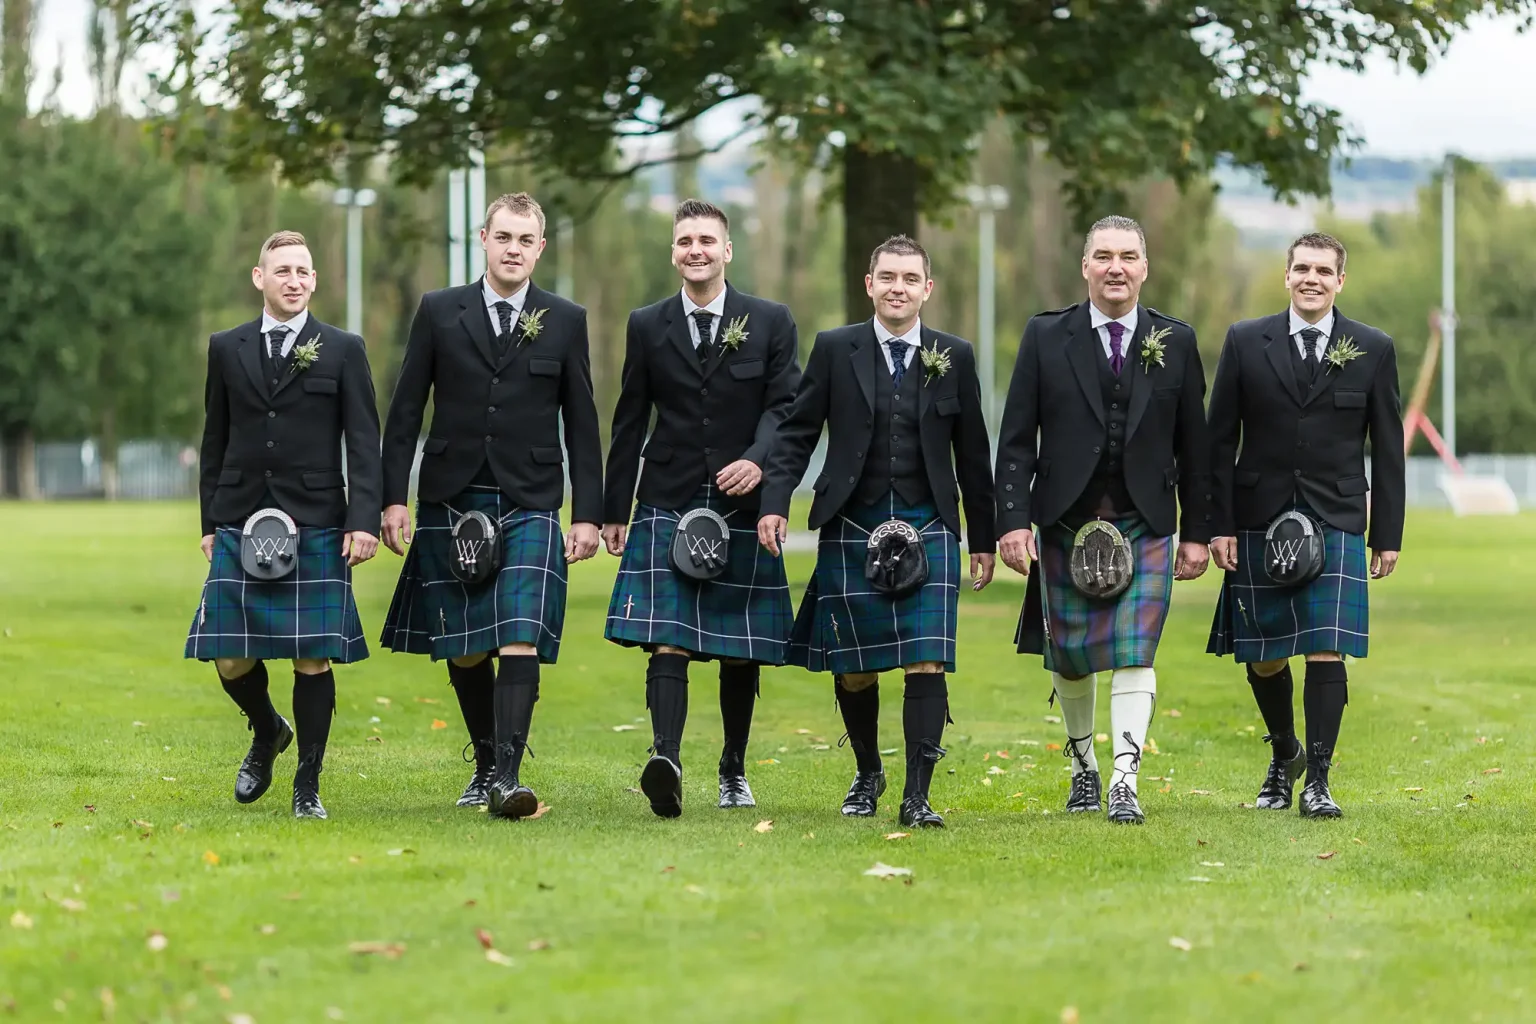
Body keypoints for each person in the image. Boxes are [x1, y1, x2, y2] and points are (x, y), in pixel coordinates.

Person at [758, 234, 996, 829]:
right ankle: (868, 771)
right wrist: (775, 501)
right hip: (853, 519)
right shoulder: (837, 349)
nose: (898, 288)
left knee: (927, 659)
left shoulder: (954, 355)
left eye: (910, 279)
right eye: (887, 277)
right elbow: (795, 433)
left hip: (930, 522)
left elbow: (974, 454)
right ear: (870, 284)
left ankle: (918, 795)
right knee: (855, 667)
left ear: (927, 289)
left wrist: (985, 538)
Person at [378, 192, 602, 819]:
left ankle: (506, 776)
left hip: (529, 496)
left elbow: (583, 422)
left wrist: (587, 511)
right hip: (452, 492)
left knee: (518, 635)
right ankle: (483, 763)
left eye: (525, 240)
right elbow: (403, 413)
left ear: (540, 248)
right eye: (503, 237)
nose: (513, 249)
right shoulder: (439, 311)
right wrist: (392, 498)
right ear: (483, 239)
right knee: (465, 645)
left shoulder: (564, 318)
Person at [994, 215, 1212, 825]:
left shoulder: (1177, 340)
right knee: (1070, 658)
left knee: (1135, 651)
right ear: (1085, 266)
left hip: (1145, 521)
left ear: (1145, 268)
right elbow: (1015, 440)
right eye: (1104, 256)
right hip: (1065, 521)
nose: (1116, 268)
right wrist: (1012, 520)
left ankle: (1123, 779)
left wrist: (1196, 532)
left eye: (1128, 256)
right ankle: (1084, 765)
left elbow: (1196, 449)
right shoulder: (1045, 336)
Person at [603, 199, 802, 818]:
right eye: (685, 239)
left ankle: (734, 769)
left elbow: (787, 409)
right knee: (669, 636)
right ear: (673, 251)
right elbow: (631, 417)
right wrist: (614, 508)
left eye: (707, 240)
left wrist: (758, 459)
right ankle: (667, 759)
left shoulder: (769, 321)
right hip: (668, 494)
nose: (696, 249)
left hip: (741, 501)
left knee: (739, 644)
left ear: (727, 250)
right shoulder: (647, 322)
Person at [1206, 231, 1404, 818]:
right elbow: (1218, 441)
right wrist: (1217, 524)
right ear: (1285, 276)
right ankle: (1284, 751)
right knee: (1264, 655)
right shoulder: (1245, 341)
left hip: (1337, 514)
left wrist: (1386, 533)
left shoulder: (1372, 347)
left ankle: (1317, 778)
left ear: (1341, 280)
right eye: (1301, 268)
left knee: (1325, 648)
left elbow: (1388, 449)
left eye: (1323, 270)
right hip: (1258, 515)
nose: (1310, 278)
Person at [185, 230, 381, 820]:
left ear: (314, 281)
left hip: (317, 518)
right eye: (283, 271)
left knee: (311, 657)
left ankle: (308, 786)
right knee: (227, 657)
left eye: (303, 271)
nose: (294, 281)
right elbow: (214, 438)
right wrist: (210, 520)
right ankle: (268, 729)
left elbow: (363, 442)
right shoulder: (227, 347)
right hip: (241, 518)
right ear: (259, 278)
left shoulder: (343, 348)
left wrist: (363, 519)